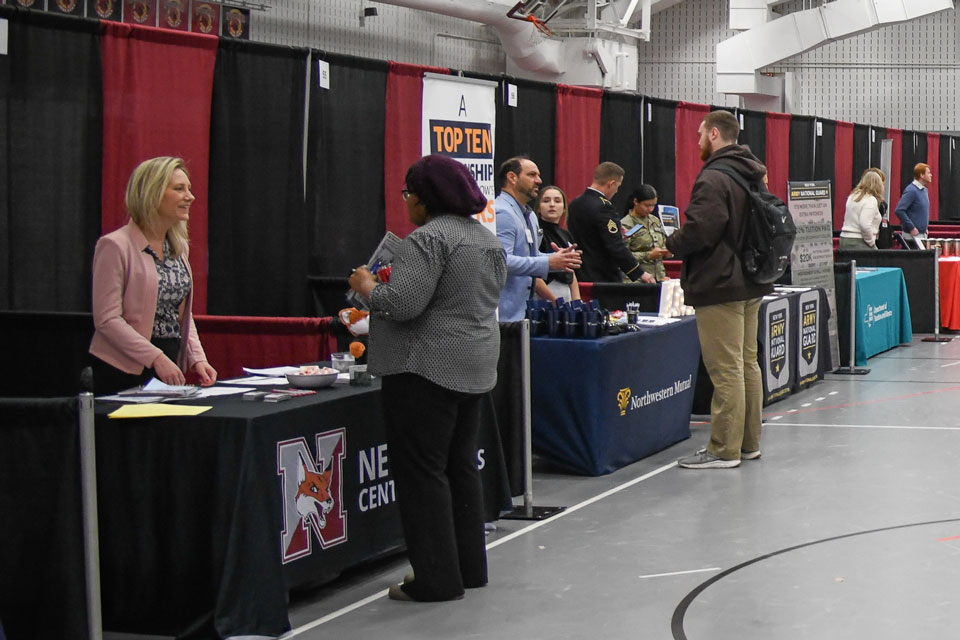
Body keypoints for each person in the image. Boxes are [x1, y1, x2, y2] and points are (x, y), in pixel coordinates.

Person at [347, 154, 507, 602]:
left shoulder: (427, 239)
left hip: (425, 369)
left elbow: (403, 304)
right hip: (475, 366)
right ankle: (469, 568)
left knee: (422, 475)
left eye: (409, 194)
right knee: (460, 469)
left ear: (426, 197)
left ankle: (436, 579)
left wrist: (365, 286)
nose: (406, 203)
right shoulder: (485, 238)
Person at [664, 109, 773, 469]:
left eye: (699, 135)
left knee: (726, 370)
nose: (696, 141)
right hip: (751, 280)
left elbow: (702, 229)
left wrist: (673, 242)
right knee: (747, 364)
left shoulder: (713, 178)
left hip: (720, 283)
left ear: (713, 134)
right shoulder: (754, 173)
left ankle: (724, 449)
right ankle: (747, 443)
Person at [88, 156, 217, 394]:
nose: (190, 196)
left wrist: (197, 358)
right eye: (179, 189)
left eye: (189, 189)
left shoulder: (179, 247)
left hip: (167, 362)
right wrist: (154, 356)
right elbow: (107, 320)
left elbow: (182, 315)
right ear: (152, 193)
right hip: (123, 369)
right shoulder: (114, 246)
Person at [494, 156, 581, 320]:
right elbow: (501, 261)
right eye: (532, 175)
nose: (539, 180)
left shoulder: (529, 215)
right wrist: (548, 262)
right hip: (505, 316)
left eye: (538, 175)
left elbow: (528, 256)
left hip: (525, 313)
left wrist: (558, 258)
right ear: (512, 177)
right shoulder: (503, 213)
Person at [567, 162, 654, 284]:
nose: (617, 191)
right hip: (602, 276)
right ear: (611, 183)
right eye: (617, 186)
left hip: (579, 274)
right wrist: (639, 272)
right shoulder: (604, 208)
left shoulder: (575, 204)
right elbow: (615, 245)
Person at [535, 185, 581, 301]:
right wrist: (554, 301)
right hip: (543, 301)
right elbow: (532, 274)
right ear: (538, 208)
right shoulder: (536, 234)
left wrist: (577, 302)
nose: (552, 205)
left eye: (557, 201)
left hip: (566, 299)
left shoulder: (566, 235)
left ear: (564, 208)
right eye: (546, 201)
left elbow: (571, 273)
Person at [620, 184, 669, 282]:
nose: (650, 209)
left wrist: (667, 252)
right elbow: (623, 256)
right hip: (637, 279)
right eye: (647, 205)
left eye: (653, 205)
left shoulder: (655, 220)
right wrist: (648, 255)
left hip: (659, 277)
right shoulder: (625, 224)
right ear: (636, 202)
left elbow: (662, 243)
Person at [839, 170, 884, 249]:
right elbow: (865, 225)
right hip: (859, 241)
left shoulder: (852, 196)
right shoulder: (870, 200)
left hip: (844, 239)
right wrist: (871, 242)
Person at [895, 162, 933, 239]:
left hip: (922, 234)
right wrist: (911, 227)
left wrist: (924, 228)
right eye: (928, 173)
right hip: (912, 236)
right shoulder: (911, 190)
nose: (931, 175)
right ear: (921, 175)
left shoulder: (924, 190)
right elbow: (899, 210)